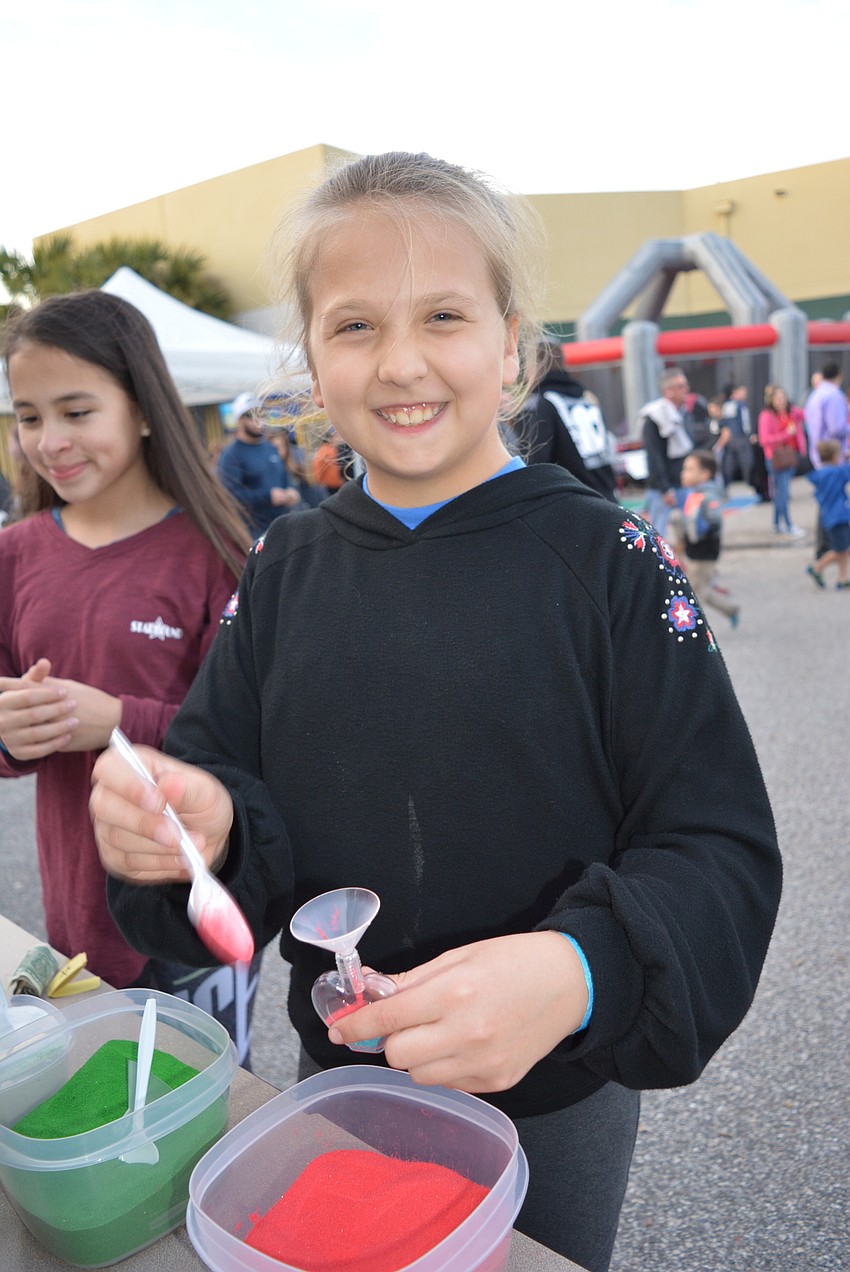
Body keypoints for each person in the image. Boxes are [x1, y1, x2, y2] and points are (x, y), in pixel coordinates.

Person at [89, 152, 781, 1272]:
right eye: (355, 325)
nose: (401, 362)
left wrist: (583, 970)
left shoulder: (606, 558)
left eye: (444, 316)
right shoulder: (284, 567)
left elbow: (718, 844)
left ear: (513, 344)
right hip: (343, 1080)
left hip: (554, 1089)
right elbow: (229, 811)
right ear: (309, 357)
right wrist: (186, 833)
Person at [0, 291, 263, 1065]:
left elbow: (255, 739)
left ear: (144, 408)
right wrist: (12, 731)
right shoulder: (13, 556)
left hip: (194, 912)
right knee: (108, 1119)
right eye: (28, 416)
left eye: (77, 411)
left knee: (209, 1111)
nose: (50, 441)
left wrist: (116, 718)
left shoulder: (219, 552)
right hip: (76, 916)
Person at [512, 336, 618, 501]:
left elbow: (536, 462)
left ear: (537, 366)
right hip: (605, 495)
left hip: (574, 502)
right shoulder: (585, 398)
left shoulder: (544, 403)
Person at [667, 450, 740, 627]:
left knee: (694, 595)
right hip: (696, 552)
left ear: (704, 474)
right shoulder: (695, 494)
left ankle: (691, 631)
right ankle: (730, 609)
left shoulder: (707, 496)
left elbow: (715, 521)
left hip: (704, 553)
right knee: (699, 590)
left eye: (689, 469)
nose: (683, 473)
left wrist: (702, 534)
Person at [217, 392, 301, 538]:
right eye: (252, 416)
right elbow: (229, 497)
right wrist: (267, 497)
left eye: (261, 414)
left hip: (282, 528)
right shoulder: (231, 455)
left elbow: (284, 477)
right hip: (253, 534)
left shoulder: (270, 448)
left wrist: (291, 491)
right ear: (240, 420)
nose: (259, 420)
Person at [638, 366, 694, 536]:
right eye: (680, 386)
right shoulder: (654, 417)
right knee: (660, 536)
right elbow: (654, 455)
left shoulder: (682, 414)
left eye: (685, 385)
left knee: (686, 534)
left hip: (682, 482)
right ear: (668, 391)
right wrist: (664, 488)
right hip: (662, 488)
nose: (686, 389)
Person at [804, 362, 848, 560]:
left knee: (825, 498)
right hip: (832, 453)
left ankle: (825, 544)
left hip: (819, 452)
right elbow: (837, 427)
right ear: (839, 374)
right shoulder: (834, 395)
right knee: (832, 499)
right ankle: (830, 544)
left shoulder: (814, 395)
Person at [757, 386, 807, 538]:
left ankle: (777, 524)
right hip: (776, 458)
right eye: (778, 398)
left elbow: (804, 415)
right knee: (782, 493)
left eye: (783, 397)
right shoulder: (766, 415)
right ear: (771, 400)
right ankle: (788, 524)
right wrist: (785, 434)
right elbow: (765, 440)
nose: (781, 401)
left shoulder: (789, 413)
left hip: (790, 456)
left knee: (781, 493)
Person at [805, 439, 850, 589]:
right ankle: (817, 568)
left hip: (830, 517)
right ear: (834, 457)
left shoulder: (820, 474)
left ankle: (842, 579)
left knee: (844, 549)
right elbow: (846, 471)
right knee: (841, 550)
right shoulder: (835, 474)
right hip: (839, 517)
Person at [269, 426, 329, 507]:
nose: (277, 452)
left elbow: (314, 491)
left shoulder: (297, 465)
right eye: (273, 448)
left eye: (279, 447)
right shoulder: (268, 471)